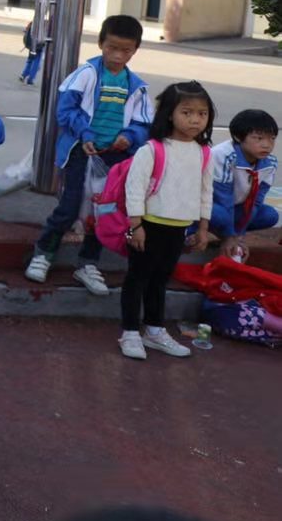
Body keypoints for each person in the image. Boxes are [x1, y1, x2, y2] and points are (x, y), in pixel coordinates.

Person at [26, 15, 152, 297]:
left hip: (114, 160)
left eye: (125, 50)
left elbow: (144, 123)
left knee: (102, 213)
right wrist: (85, 134)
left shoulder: (138, 86)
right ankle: (44, 253)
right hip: (80, 153)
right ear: (100, 43)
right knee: (69, 207)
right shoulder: (85, 74)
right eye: (112, 48)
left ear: (135, 50)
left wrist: (130, 137)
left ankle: (88, 263)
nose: (117, 56)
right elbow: (65, 110)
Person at [117, 82, 215, 360]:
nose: (195, 120)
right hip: (148, 225)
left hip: (178, 228)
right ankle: (130, 332)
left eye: (202, 113)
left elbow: (205, 191)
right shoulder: (152, 149)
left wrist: (203, 228)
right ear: (169, 114)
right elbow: (134, 188)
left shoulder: (204, 152)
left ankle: (155, 330)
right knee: (137, 278)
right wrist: (136, 225)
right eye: (187, 112)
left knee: (160, 280)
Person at [205, 108, 277, 261]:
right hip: (210, 205)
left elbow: (256, 201)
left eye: (272, 139)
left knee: (270, 215)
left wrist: (240, 236)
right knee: (220, 215)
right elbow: (223, 198)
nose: (267, 145)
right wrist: (230, 236)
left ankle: (227, 233)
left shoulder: (270, 162)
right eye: (259, 138)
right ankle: (197, 230)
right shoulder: (223, 155)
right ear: (238, 137)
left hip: (236, 207)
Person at [18, 20, 48, 86]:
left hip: (31, 44)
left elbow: (26, 30)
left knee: (30, 60)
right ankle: (30, 79)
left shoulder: (34, 22)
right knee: (36, 63)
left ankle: (23, 75)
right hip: (38, 46)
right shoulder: (45, 24)